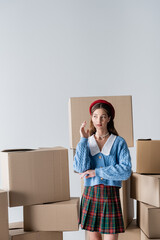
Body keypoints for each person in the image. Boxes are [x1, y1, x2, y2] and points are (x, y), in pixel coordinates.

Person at [73, 99, 132, 240]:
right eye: (95, 116)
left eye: (103, 116)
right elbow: (80, 168)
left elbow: (125, 170)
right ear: (91, 118)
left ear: (109, 119)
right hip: (90, 196)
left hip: (110, 196)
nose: (98, 120)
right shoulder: (86, 142)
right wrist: (82, 140)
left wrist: (97, 172)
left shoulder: (119, 142)